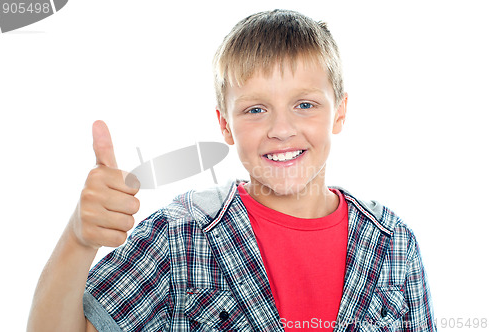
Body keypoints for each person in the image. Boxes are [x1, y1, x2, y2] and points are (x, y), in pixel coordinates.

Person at [27, 9, 436, 332]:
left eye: (305, 104)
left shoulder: (394, 243)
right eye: (255, 110)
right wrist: (77, 239)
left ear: (340, 112)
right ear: (225, 124)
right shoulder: (179, 237)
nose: (281, 130)